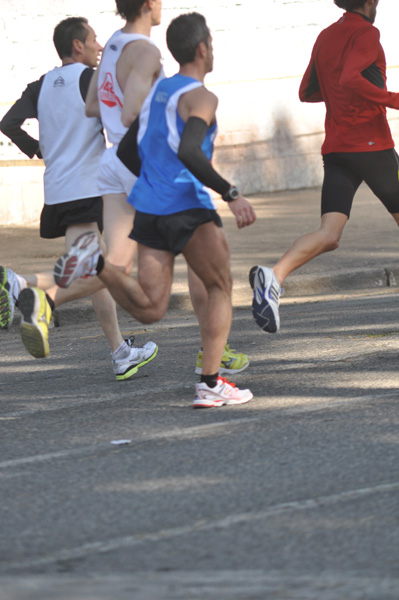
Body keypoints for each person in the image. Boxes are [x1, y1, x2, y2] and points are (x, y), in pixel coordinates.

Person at [53, 12, 257, 408]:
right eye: (211, 44)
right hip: (186, 204)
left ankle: (97, 264)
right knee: (218, 287)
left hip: (147, 206)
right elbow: (189, 151)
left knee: (150, 307)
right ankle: (210, 382)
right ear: (202, 50)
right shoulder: (201, 97)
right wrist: (231, 193)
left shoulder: (157, 94)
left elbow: (134, 146)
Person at [0, 16, 157, 379]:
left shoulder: (40, 85)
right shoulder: (91, 79)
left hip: (58, 190)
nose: (99, 46)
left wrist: (38, 148)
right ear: (77, 46)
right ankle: (22, 283)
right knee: (109, 269)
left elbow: (7, 124)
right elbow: (117, 123)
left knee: (92, 268)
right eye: (94, 40)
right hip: (90, 188)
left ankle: (120, 352)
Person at [250, 0, 399, 333]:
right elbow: (351, 77)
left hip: (337, 149)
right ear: (371, 1)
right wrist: (393, 99)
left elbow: (307, 91)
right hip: (372, 145)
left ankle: (274, 277)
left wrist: (342, 95)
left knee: (329, 234)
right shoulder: (368, 33)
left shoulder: (326, 36)